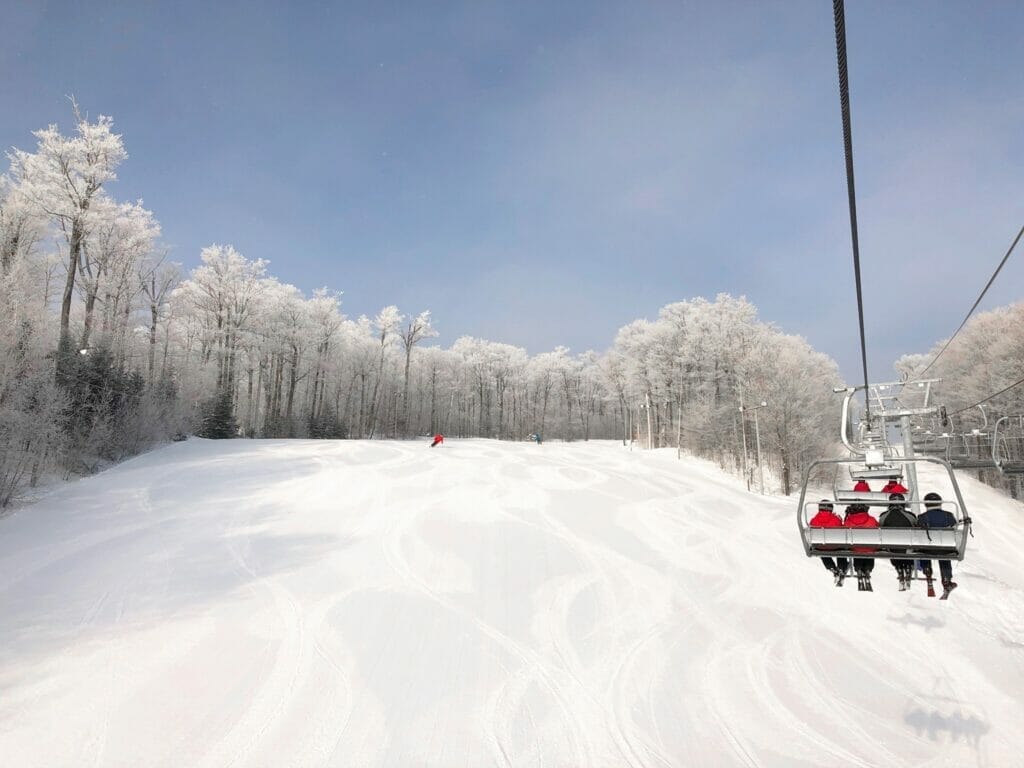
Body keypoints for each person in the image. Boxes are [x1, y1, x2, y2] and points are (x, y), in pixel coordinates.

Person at [917, 492, 958, 598]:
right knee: (944, 554)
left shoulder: (922, 517)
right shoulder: (948, 515)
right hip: (945, 549)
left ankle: (928, 574)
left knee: (923, 550)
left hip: (927, 549)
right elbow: (954, 525)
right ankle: (946, 580)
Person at [879, 493, 918, 591]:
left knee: (893, 548)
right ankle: (908, 568)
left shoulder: (884, 516)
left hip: (892, 548)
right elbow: (915, 525)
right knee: (909, 548)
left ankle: (899, 570)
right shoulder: (910, 516)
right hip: (908, 547)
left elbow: (881, 527)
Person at [809, 500, 848, 586]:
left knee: (822, 549)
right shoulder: (836, 519)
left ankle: (831, 567)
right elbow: (841, 528)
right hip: (835, 546)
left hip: (820, 546)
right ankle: (842, 567)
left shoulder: (813, 520)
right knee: (841, 548)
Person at [844, 503, 879, 591]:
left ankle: (858, 569)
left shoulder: (848, 521)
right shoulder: (871, 519)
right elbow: (878, 529)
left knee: (857, 549)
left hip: (855, 547)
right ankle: (868, 569)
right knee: (868, 549)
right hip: (870, 547)